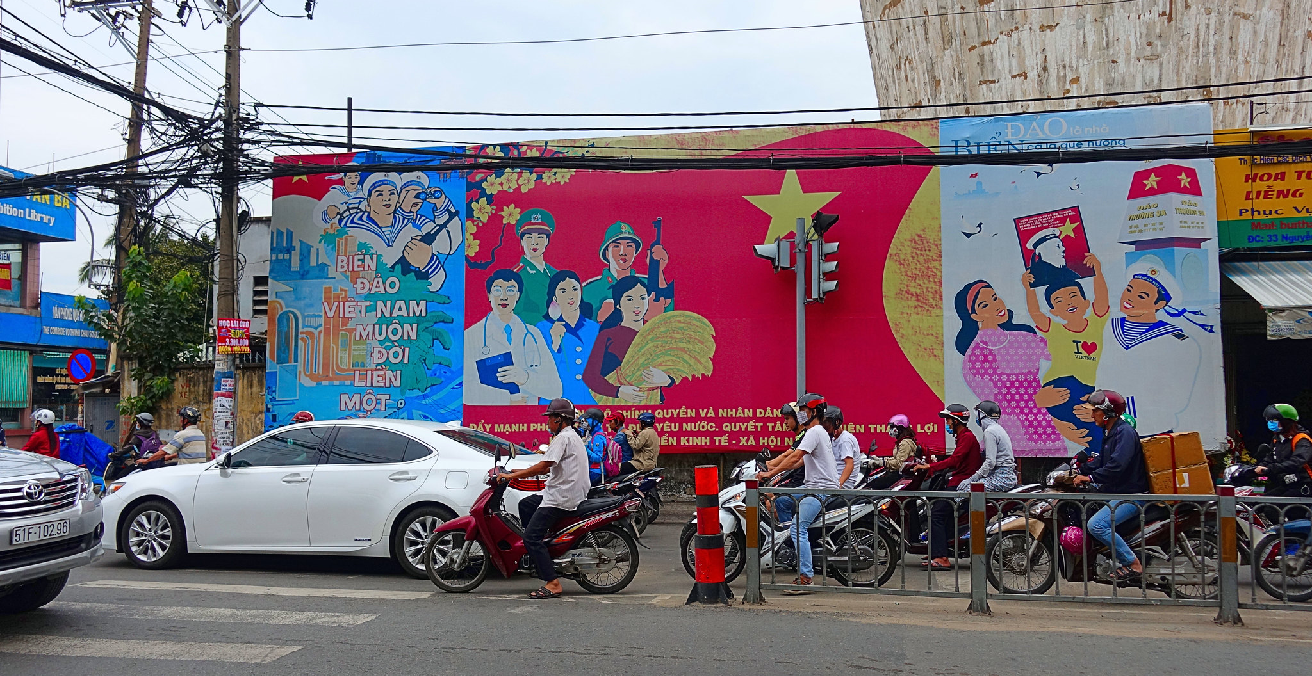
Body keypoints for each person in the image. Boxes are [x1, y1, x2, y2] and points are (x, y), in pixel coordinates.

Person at [954, 279, 1065, 455]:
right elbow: (995, 406)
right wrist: (1037, 401)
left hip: (1045, 430)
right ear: (975, 316)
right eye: (984, 305)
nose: (996, 306)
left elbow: (1062, 357)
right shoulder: (975, 357)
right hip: (1011, 436)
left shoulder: (1022, 338)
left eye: (995, 298)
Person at [498, 397, 590, 599]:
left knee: (530, 538)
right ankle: (545, 547)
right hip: (566, 492)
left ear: (560, 419)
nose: (547, 422)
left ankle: (552, 582)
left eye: (550, 418)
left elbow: (543, 466)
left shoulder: (563, 438)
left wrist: (511, 476)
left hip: (561, 497)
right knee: (526, 504)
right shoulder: (571, 436)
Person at [1094, 273, 1203, 436]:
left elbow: (1178, 397)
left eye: (1142, 296)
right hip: (1113, 426)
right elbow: (1102, 373)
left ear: (1160, 303)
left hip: (1153, 427)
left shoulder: (1177, 341)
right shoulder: (1109, 327)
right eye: (1129, 290)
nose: (1130, 298)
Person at [1022, 253, 1109, 450]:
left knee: (1091, 432)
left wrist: (1098, 272)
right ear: (1053, 311)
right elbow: (1035, 314)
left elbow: (1102, 301)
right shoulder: (1055, 329)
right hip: (1061, 384)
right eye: (1059, 301)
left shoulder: (1095, 324)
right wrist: (1028, 289)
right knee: (1093, 432)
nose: (1068, 303)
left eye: (1073, 296)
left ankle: (1095, 462)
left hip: (1085, 388)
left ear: (1086, 302)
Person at [757, 393, 838, 591]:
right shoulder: (816, 432)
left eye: (803, 411)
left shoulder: (814, 432)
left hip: (820, 490)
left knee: (797, 528)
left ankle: (806, 576)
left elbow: (795, 458)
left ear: (814, 412)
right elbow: (798, 458)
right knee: (780, 501)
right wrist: (773, 469)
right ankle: (792, 546)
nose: (801, 414)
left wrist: (770, 473)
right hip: (810, 486)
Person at [1072, 390, 1149, 582]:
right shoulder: (1111, 433)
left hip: (1132, 494)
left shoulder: (1125, 433)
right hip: (1117, 491)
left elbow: (1116, 466)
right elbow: (1102, 462)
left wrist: (1090, 477)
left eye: (1096, 411)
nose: (1092, 415)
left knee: (1096, 525)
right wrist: (1079, 470)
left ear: (1107, 412)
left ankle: (1132, 563)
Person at [463, 269, 562, 405]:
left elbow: (555, 389)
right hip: (488, 419)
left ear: (518, 296)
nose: (504, 297)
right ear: (489, 295)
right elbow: (466, 389)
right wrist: (508, 399)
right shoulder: (471, 336)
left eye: (510, 290)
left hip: (528, 420)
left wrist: (526, 378)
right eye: (497, 290)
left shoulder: (533, 334)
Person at [914, 404, 985, 570]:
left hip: (962, 484)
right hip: (956, 481)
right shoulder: (962, 437)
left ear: (956, 420)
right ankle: (937, 550)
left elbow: (954, 460)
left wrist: (930, 467)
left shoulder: (967, 438)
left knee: (936, 513)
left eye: (948, 420)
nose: (947, 423)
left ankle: (942, 557)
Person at [582, 276, 673, 404]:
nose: (637, 305)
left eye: (642, 298)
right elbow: (590, 377)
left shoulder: (657, 334)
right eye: (630, 299)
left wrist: (668, 380)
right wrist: (618, 391)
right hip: (617, 407)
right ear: (619, 304)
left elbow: (679, 369)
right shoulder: (608, 335)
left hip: (655, 406)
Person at [583, 221, 671, 324]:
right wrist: (598, 319)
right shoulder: (589, 290)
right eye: (616, 246)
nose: (623, 252)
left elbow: (669, 310)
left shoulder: (648, 283)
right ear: (607, 253)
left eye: (629, 246)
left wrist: (658, 270)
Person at [536, 270, 600, 405]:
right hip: (556, 402)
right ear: (555, 297)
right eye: (563, 291)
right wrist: (555, 344)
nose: (570, 296)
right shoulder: (542, 329)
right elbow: (540, 371)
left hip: (588, 400)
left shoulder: (594, 328)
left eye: (574, 289)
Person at [1254, 404, 1312, 506]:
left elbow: (1297, 461)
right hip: (1286, 483)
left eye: (1274, 420)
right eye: (1269, 421)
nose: (1270, 423)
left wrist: (1272, 468)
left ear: (1286, 422)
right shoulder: (1277, 439)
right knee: (1260, 503)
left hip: (1303, 485)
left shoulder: (1302, 439)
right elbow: (1270, 457)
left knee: (1272, 509)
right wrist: (1259, 467)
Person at [512, 208, 559, 325]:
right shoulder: (517, 275)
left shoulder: (555, 274)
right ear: (522, 241)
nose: (534, 242)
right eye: (528, 237)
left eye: (540, 237)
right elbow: (515, 314)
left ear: (547, 241)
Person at [864, 414, 919, 490]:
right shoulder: (902, 441)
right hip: (898, 474)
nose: (890, 429)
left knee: (874, 484)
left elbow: (899, 463)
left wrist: (881, 462)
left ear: (899, 428)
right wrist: (879, 460)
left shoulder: (905, 443)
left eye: (892, 427)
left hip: (900, 475)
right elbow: (896, 458)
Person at [821, 406, 859, 490]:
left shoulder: (845, 440)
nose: (824, 426)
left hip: (842, 484)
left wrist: (838, 485)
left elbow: (849, 464)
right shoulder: (835, 438)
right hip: (833, 481)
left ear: (836, 422)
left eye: (827, 422)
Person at [582, 408, 610, 485]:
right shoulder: (592, 435)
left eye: (587, 420)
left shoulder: (598, 437)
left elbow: (598, 458)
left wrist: (584, 449)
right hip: (591, 470)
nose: (585, 423)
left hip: (596, 472)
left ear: (595, 421)